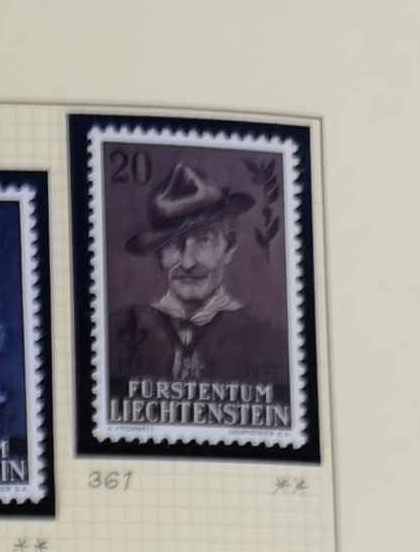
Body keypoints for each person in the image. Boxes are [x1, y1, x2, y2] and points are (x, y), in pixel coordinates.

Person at [108, 159, 289, 396]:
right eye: (174, 245)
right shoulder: (117, 332)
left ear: (229, 246)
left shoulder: (269, 340)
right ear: (160, 256)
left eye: (204, 240)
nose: (188, 263)